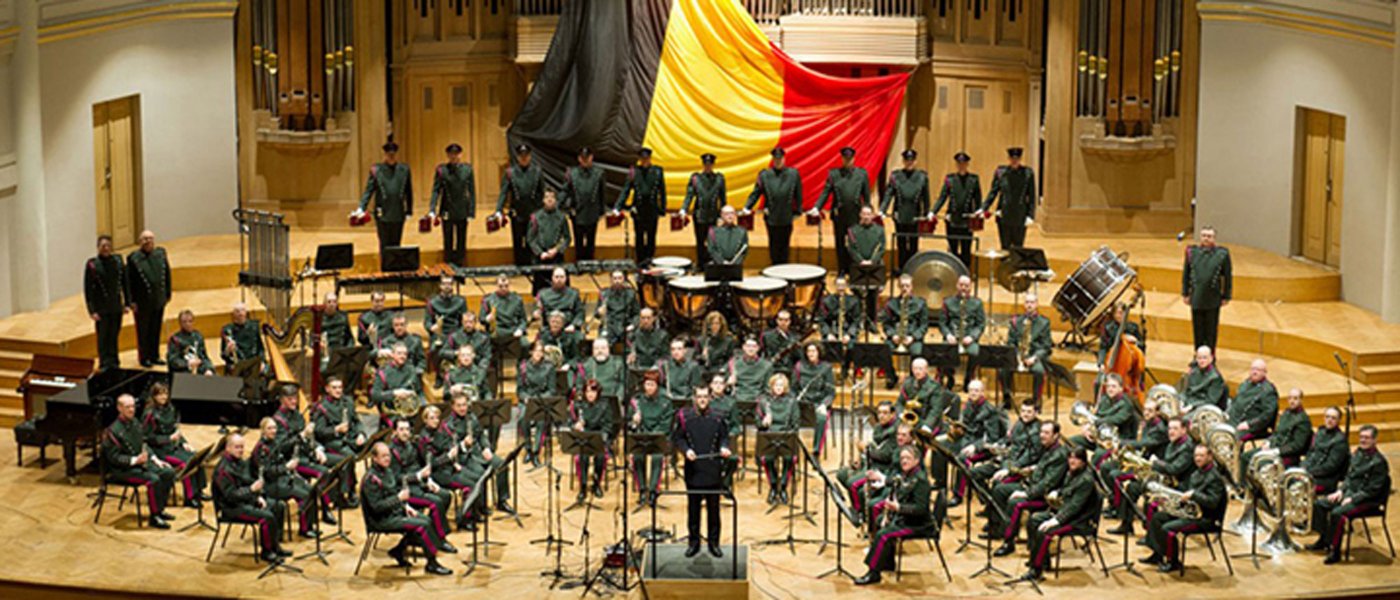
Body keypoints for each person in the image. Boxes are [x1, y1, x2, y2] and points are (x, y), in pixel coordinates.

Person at [362, 442, 454, 575]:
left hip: (394, 512)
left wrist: (406, 506)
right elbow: (377, 508)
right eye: (383, 456)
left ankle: (398, 550)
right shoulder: (371, 479)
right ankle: (432, 563)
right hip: (381, 519)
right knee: (422, 525)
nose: (387, 458)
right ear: (374, 458)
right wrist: (399, 499)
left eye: (388, 455)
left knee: (425, 519)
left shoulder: (387, 470)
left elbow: (393, 493)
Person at [1308, 425, 1391, 564]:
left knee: (1337, 513)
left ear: (1375, 440)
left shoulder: (1379, 462)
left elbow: (1373, 490)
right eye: (1361, 437)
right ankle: (1323, 539)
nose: (1363, 440)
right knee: (1319, 504)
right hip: (1349, 493)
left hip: (1368, 500)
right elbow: (1349, 477)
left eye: (1367, 438)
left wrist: (1353, 498)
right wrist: (1340, 491)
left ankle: (1335, 551)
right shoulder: (1357, 454)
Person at [853, 445, 935, 585]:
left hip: (919, 524)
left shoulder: (921, 480)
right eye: (902, 458)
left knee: (883, 534)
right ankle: (887, 563)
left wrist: (898, 508)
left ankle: (873, 573)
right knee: (879, 520)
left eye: (908, 458)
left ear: (916, 460)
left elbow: (921, 509)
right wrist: (881, 478)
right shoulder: (908, 474)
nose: (904, 461)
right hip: (908, 519)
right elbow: (897, 481)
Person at [1140, 444, 1227, 572]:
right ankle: (1158, 554)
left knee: (1167, 528)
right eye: (1196, 455)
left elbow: (1212, 502)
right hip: (1191, 513)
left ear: (1210, 457)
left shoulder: (1215, 478)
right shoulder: (1196, 473)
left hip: (1205, 519)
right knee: (1157, 518)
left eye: (1201, 456)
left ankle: (1173, 561)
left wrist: (1194, 495)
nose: (1198, 458)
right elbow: (1186, 494)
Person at [1021, 447, 1100, 581]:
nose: (1072, 461)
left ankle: (1036, 570)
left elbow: (1075, 506)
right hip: (1065, 514)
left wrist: (1056, 520)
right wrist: (1058, 492)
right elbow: (1066, 491)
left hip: (1078, 521)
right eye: (1070, 457)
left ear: (1083, 461)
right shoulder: (1071, 473)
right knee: (1034, 520)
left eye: (1076, 458)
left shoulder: (1086, 480)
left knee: (1043, 531)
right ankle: (1041, 560)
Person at [990, 421, 1068, 556]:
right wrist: (1032, 469)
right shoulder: (1047, 447)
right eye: (1041, 432)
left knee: (1015, 503)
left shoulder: (1059, 455)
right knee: (999, 490)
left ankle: (1009, 542)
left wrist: (1026, 493)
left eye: (1046, 433)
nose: (1042, 436)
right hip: (1031, 485)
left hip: (1043, 496)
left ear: (1056, 436)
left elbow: (1048, 483)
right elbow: (1043, 467)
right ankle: (999, 529)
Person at [674, 385, 733, 558]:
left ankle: (714, 543)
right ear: (694, 398)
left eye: (705, 396)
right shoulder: (685, 416)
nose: (702, 400)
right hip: (693, 470)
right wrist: (686, 451)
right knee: (693, 510)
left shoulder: (718, 417)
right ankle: (694, 542)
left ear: (710, 398)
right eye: (699, 396)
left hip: (712, 469)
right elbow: (678, 438)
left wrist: (723, 447)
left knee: (714, 510)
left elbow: (724, 437)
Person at [1109, 417, 1195, 536]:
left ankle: (1152, 535)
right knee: (1132, 488)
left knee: (1150, 494)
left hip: (1179, 486)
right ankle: (1126, 524)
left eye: (1175, 428)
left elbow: (1174, 469)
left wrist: (1156, 463)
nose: (1171, 431)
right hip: (1166, 480)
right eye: (1170, 428)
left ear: (1184, 430)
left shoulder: (1188, 447)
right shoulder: (1172, 443)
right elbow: (1167, 466)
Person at [102, 393, 176, 528]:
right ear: (119, 408)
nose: (131, 410)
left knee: (168, 472)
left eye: (133, 406)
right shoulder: (113, 431)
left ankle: (160, 509)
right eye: (127, 407)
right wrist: (135, 460)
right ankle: (154, 516)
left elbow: (144, 444)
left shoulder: (135, 422)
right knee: (153, 480)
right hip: (122, 470)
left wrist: (155, 459)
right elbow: (114, 458)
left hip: (139, 464)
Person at [213, 433, 289, 562]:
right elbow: (231, 496)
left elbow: (246, 482)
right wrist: (252, 491)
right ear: (228, 448)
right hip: (230, 508)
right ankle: (267, 551)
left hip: (244, 500)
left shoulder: (239, 462)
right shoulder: (223, 470)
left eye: (242, 447)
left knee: (278, 506)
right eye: (237, 447)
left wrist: (257, 497)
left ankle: (275, 545)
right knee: (267, 517)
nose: (241, 450)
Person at [270, 385, 338, 524]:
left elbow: (308, 439)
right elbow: (282, 447)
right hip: (292, 460)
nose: (294, 401)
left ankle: (324, 507)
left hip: (305, 456)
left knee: (329, 472)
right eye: (290, 399)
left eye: (295, 398)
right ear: (282, 400)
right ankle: (325, 509)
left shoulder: (297, 415)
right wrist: (301, 435)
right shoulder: (277, 420)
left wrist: (317, 449)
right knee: (323, 474)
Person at [443, 391, 512, 521]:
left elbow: (481, 435)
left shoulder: (472, 417)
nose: (463, 408)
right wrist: (464, 444)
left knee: (502, 465)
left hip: (479, 453)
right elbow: (450, 448)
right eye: (459, 405)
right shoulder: (449, 425)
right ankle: (480, 506)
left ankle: (502, 500)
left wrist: (486, 447)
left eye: (464, 405)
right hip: (465, 458)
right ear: (453, 407)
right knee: (481, 474)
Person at [251, 416, 319, 538]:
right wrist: (287, 467)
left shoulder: (274, 442)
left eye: (275, 428)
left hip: (281, 479)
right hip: (269, 485)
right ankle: (304, 529)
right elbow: (268, 472)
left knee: (310, 489)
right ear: (263, 431)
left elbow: (281, 457)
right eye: (269, 428)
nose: (273, 431)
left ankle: (309, 525)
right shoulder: (260, 449)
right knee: (304, 495)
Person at [386, 418, 453, 542]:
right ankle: (440, 539)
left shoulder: (412, 445)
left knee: (446, 496)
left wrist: (429, 481)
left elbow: (421, 466)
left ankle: (430, 532)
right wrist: (417, 476)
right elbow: (395, 478)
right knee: (436, 503)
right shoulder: (390, 452)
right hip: (405, 490)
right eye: (401, 429)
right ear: (394, 431)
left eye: (407, 429)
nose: (405, 432)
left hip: (419, 484)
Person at [142, 382, 206, 507]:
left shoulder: (171, 408)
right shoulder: (149, 414)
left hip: (173, 447)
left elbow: (175, 430)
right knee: (186, 464)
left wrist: (184, 443)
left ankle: (198, 491)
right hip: (160, 451)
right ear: (154, 396)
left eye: (165, 393)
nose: (164, 397)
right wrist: (168, 438)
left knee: (197, 458)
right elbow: (147, 438)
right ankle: (189, 497)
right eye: (160, 394)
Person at [815, 146, 871, 276]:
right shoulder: (834, 174)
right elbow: (826, 192)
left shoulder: (861, 174)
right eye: (845, 159)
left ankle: (853, 269)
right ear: (842, 159)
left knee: (854, 242)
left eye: (850, 159)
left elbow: (866, 195)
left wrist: (867, 211)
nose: (848, 161)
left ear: (854, 159)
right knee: (840, 242)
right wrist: (817, 207)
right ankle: (841, 269)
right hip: (839, 214)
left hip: (855, 214)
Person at [353, 141, 415, 259]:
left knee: (396, 243)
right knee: (384, 244)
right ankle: (384, 268)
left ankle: (395, 269)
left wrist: (409, 210)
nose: (391, 156)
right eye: (389, 154)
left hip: (398, 212)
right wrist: (361, 207)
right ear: (385, 155)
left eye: (393, 154)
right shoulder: (377, 170)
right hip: (383, 212)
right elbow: (369, 190)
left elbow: (409, 191)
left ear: (396, 154)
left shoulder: (404, 170)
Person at [837, 401, 898, 519]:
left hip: (883, 469)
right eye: (879, 412)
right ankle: (858, 506)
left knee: (853, 484)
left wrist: (865, 450)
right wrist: (861, 458)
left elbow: (886, 456)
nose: (881, 416)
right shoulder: (879, 427)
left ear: (892, 414)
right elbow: (874, 446)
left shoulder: (894, 432)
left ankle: (859, 513)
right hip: (872, 463)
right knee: (842, 474)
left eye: (885, 413)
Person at [950, 380, 1006, 506]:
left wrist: (975, 446)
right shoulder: (968, 405)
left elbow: (992, 437)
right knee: (944, 449)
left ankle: (958, 495)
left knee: (962, 459)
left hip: (984, 447)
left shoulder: (990, 411)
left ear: (982, 392)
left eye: (976, 390)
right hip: (967, 440)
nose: (973, 393)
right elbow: (966, 426)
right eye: (971, 390)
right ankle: (941, 484)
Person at [744, 147, 803, 266]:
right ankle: (774, 269)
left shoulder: (793, 174)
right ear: (773, 160)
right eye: (776, 159)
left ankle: (784, 270)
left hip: (787, 215)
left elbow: (798, 194)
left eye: (780, 159)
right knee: (773, 244)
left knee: (785, 245)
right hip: (771, 216)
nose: (778, 161)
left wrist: (798, 211)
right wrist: (747, 207)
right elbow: (756, 192)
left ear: (784, 159)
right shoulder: (765, 175)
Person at [312, 377, 366, 505]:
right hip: (332, 442)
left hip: (350, 439)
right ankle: (347, 491)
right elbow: (319, 431)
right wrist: (336, 429)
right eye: (334, 388)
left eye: (340, 387)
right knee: (349, 457)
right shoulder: (321, 407)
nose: (338, 390)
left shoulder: (347, 402)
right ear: (327, 389)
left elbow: (357, 421)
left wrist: (361, 433)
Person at [1181, 225, 1232, 353]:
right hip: (1197, 297)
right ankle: (1198, 357)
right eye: (1204, 235)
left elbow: (1227, 276)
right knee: (1198, 330)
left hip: (1213, 298)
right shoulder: (1191, 252)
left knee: (1211, 331)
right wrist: (1185, 293)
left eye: (1209, 236)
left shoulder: (1222, 254)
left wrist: (1226, 295)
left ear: (1214, 238)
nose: (1206, 239)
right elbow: (1186, 273)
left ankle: (1211, 357)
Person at [493, 144, 546, 268]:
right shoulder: (510, 172)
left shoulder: (537, 171)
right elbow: (504, 193)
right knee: (517, 240)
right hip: (517, 211)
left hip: (533, 211)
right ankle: (519, 265)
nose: (524, 158)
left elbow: (542, 192)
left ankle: (531, 265)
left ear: (530, 156)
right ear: (517, 157)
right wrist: (498, 210)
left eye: (526, 156)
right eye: (521, 156)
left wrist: (542, 211)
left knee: (531, 240)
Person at [612, 147, 667, 263]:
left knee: (651, 237)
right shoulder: (634, 172)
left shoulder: (657, 171)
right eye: (642, 159)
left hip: (652, 209)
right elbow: (626, 190)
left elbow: (662, 191)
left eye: (646, 158)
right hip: (639, 209)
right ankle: (640, 262)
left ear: (650, 158)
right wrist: (618, 206)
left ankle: (650, 260)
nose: (644, 161)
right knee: (639, 237)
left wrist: (663, 208)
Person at [125, 230, 171, 367]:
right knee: (143, 331)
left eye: (150, 238)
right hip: (142, 301)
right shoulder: (133, 258)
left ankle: (154, 355)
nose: (148, 241)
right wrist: (130, 301)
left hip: (158, 298)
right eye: (145, 239)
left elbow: (167, 274)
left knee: (156, 328)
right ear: (140, 242)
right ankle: (144, 357)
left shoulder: (160, 254)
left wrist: (167, 293)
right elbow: (129, 282)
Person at [882, 148, 932, 271]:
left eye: (911, 160)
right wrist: (882, 210)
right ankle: (902, 267)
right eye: (907, 160)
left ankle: (913, 268)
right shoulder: (896, 176)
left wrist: (927, 213)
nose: (909, 163)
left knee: (914, 243)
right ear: (903, 161)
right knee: (901, 243)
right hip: (900, 214)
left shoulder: (922, 176)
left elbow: (926, 197)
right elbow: (888, 194)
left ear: (915, 161)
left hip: (915, 215)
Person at [998, 295, 1052, 406]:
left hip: (1034, 356)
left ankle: (1036, 400)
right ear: (1024, 304)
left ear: (1037, 304)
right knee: (1002, 369)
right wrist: (1016, 356)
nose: (1029, 305)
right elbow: (1011, 342)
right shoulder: (1016, 321)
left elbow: (1046, 346)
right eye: (1027, 302)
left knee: (1039, 371)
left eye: (1032, 302)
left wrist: (1034, 358)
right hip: (1018, 355)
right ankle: (1007, 397)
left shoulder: (1044, 322)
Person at [428, 142, 476, 266]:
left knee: (461, 241)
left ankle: (462, 268)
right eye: (451, 154)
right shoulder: (442, 170)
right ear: (448, 155)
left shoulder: (467, 169)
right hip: (447, 210)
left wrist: (471, 210)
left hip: (462, 209)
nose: (454, 156)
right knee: (448, 241)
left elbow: (471, 191)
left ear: (460, 154)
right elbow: (436, 190)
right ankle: (448, 268)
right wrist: (432, 209)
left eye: (456, 154)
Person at [979, 147, 1037, 250]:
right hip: (1004, 215)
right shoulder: (1001, 172)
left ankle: (1016, 266)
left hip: (1020, 215)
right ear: (1008, 159)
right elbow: (993, 192)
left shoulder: (1028, 173)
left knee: (1018, 246)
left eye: (1017, 159)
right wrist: (984, 207)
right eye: (1012, 158)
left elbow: (1032, 196)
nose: (1014, 161)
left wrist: (1030, 215)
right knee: (1005, 246)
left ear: (1020, 159)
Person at [930, 151, 981, 268]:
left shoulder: (973, 180)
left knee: (966, 249)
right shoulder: (950, 179)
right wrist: (933, 212)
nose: (961, 165)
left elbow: (977, 199)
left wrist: (978, 213)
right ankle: (952, 273)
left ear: (967, 164)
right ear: (956, 165)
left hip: (967, 220)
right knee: (952, 249)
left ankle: (965, 274)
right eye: (959, 163)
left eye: (963, 163)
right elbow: (942, 198)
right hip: (952, 219)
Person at [629, 372, 673, 507]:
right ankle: (642, 489)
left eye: (652, 384)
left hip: (658, 438)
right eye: (647, 384)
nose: (649, 387)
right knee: (637, 457)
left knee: (657, 457)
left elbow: (666, 425)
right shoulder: (638, 402)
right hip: (642, 438)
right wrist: (635, 422)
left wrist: (653, 436)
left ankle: (653, 491)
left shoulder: (666, 402)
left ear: (657, 386)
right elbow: (631, 426)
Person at [85, 235, 128, 371]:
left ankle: (114, 360)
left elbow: (125, 283)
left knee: (114, 334)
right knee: (103, 336)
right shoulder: (92, 264)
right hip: (101, 307)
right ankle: (104, 362)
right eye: (103, 246)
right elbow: (88, 290)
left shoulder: (118, 261)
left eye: (108, 246)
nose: (106, 248)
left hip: (115, 306)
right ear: (98, 248)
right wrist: (92, 310)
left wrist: (126, 303)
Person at [757, 373, 800, 505]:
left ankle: (783, 487)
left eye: (781, 385)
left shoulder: (792, 402)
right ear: (772, 386)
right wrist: (763, 423)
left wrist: (788, 433)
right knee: (767, 458)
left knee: (789, 458)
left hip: (786, 436)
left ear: (785, 387)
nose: (779, 387)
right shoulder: (764, 401)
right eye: (776, 384)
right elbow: (757, 423)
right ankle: (774, 486)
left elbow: (796, 423)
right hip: (769, 436)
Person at [1243, 388, 1310, 468]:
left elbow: (1297, 445)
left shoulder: (1303, 420)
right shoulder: (1286, 413)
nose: (1292, 401)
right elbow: (1276, 432)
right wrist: (1268, 442)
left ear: (1301, 400)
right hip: (1272, 447)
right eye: (1290, 398)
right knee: (1245, 457)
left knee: (1259, 464)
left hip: (1285, 454)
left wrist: (1277, 451)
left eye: (1295, 398)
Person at [1069, 374, 1138, 451]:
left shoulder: (1127, 405)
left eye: (1113, 386)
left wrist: (1093, 422)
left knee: (1098, 454)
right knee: (1071, 442)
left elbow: (1114, 420)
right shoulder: (1104, 399)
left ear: (1121, 388)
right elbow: (1097, 415)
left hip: (1117, 441)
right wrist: (1087, 428)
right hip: (1100, 437)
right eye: (1108, 386)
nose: (1110, 389)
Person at [517, 341, 560, 467]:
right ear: (531, 352)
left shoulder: (549, 366)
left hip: (542, 400)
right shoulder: (523, 366)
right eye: (536, 351)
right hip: (528, 399)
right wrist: (525, 398)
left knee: (542, 419)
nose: (538, 354)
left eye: (541, 351)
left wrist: (541, 400)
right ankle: (528, 449)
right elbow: (519, 389)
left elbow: (552, 390)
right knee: (522, 418)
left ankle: (536, 452)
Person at [571, 380, 615, 502]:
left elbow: (608, 426)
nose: (590, 394)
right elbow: (570, 423)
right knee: (582, 457)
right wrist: (576, 426)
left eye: (593, 391)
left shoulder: (605, 405)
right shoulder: (579, 405)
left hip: (599, 439)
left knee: (600, 457)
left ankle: (596, 484)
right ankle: (583, 486)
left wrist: (600, 437)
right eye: (587, 391)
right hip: (583, 440)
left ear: (598, 392)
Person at [880, 274, 927, 387]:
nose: (905, 288)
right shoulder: (891, 303)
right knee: (883, 350)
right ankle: (891, 376)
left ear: (912, 287)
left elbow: (924, 325)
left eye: (907, 286)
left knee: (917, 351)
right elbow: (886, 324)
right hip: (896, 336)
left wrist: (913, 337)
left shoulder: (921, 303)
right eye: (902, 286)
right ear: (899, 287)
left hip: (912, 337)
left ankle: (913, 379)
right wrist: (892, 335)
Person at [939, 275, 985, 389]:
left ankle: (968, 377)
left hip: (968, 337)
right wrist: (948, 335)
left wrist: (972, 337)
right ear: (957, 285)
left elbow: (980, 324)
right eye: (961, 285)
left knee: (975, 352)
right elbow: (942, 323)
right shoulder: (947, 302)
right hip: (952, 336)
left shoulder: (977, 303)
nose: (963, 288)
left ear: (971, 287)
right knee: (942, 350)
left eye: (966, 286)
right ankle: (950, 376)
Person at [681, 153, 727, 268]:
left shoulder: (719, 179)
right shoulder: (696, 178)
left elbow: (723, 199)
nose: (708, 166)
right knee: (700, 241)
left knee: (712, 241)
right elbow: (689, 195)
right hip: (699, 215)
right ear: (703, 165)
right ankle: (701, 264)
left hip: (713, 215)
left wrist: (723, 215)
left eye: (710, 164)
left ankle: (711, 265)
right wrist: (684, 209)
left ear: (713, 165)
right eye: (706, 164)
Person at [792, 342, 834, 459]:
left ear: (819, 352)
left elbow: (830, 392)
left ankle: (816, 451)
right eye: (809, 351)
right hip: (802, 402)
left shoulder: (826, 368)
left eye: (813, 351)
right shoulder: (799, 366)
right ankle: (791, 449)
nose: (811, 353)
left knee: (821, 418)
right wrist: (793, 401)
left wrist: (824, 405)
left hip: (818, 402)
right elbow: (793, 388)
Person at [562, 147, 605, 260]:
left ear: (592, 157)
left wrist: (601, 211)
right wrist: (559, 206)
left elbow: (602, 194)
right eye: (583, 158)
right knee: (578, 240)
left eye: (587, 157)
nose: (585, 160)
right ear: (579, 159)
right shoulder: (572, 173)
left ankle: (589, 262)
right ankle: (580, 262)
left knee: (591, 239)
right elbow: (565, 190)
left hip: (592, 211)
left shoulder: (599, 173)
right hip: (578, 211)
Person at [527, 189, 572, 292]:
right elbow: (531, 239)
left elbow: (567, 238)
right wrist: (540, 252)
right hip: (540, 258)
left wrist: (556, 250)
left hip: (557, 257)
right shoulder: (535, 217)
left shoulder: (561, 217)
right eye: (547, 197)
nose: (550, 200)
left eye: (552, 197)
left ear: (556, 200)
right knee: (540, 289)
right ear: (543, 200)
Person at [371, 343, 425, 425]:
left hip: (410, 410)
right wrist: (394, 393)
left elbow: (419, 392)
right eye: (399, 353)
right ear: (392, 355)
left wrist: (422, 405)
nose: (402, 356)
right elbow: (375, 395)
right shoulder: (383, 372)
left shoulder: (411, 369)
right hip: (392, 413)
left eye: (405, 354)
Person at [1229, 359, 1279, 443]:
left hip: (1251, 427)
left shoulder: (1268, 391)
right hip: (1234, 419)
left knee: (1230, 438)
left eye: (1258, 370)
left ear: (1265, 372)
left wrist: (1249, 424)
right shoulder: (1245, 383)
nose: (1254, 372)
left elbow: (1267, 415)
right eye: (1253, 369)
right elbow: (1235, 402)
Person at [1303, 407, 1349, 495]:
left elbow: (1331, 467)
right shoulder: (1320, 433)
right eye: (1327, 417)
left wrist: (1309, 472)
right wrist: (1303, 466)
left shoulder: (1340, 440)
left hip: (1326, 479)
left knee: (1297, 486)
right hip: (1311, 472)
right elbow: (1310, 453)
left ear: (1339, 420)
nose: (1329, 420)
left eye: (1333, 418)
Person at [480, 273, 528, 348]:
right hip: (496, 331)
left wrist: (520, 329)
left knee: (525, 344)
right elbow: (481, 319)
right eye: (500, 286)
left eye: (506, 286)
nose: (503, 288)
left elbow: (523, 320)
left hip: (513, 330)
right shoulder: (488, 300)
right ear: (496, 286)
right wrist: (487, 319)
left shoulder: (517, 299)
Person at [220, 302, 264, 374]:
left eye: (243, 310)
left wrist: (262, 362)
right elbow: (223, 355)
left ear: (246, 313)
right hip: (237, 364)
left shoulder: (254, 327)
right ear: (233, 315)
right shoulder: (227, 330)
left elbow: (261, 349)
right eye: (237, 311)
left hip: (252, 363)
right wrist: (228, 350)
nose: (240, 314)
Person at [596, 271, 639, 345]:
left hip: (626, 324)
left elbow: (637, 313)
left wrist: (633, 325)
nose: (617, 281)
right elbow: (596, 315)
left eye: (619, 278)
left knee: (634, 338)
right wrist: (599, 312)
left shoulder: (631, 294)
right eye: (614, 278)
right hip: (610, 326)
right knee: (602, 341)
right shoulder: (604, 294)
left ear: (624, 279)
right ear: (611, 280)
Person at [425, 275, 467, 351]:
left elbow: (464, 320)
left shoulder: (461, 301)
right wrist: (432, 327)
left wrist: (460, 332)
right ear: (440, 285)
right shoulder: (432, 302)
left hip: (455, 332)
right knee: (433, 351)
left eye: (449, 284)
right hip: (439, 333)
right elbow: (427, 322)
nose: (447, 286)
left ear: (452, 285)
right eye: (444, 284)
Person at [1097, 302, 1145, 367]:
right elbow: (1103, 347)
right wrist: (1101, 363)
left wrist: (1136, 342)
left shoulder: (1133, 328)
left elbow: (1142, 346)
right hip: (1113, 362)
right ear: (1113, 315)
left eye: (1122, 313)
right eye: (1118, 313)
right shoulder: (1108, 329)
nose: (1120, 316)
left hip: (1130, 364)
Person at [166, 309, 214, 375]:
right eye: (184, 322)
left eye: (190, 321)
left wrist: (208, 369)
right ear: (180, 323)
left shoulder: (198, 336)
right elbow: (173, 361)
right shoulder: (175, 339)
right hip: (183, 372)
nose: (188, 324)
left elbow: (204, 357)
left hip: (198, 370)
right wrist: (188, 363)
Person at [536, 268, 584, 333]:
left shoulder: (574, 294)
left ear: (566, 278)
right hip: (549, 329)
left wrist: (574, 325)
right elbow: (539, 311)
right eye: (556, 277)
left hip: (568, 327)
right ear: (552, 278)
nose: (559, 279)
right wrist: (536, 313)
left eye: (562, 277)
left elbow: (580, 312)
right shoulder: (543, 294)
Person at [847, 205, 886, 281]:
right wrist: (861, 261)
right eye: (864, 214)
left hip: (875, 265)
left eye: (868, 214)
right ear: (860, 215)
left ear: (872, 215)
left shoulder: (880, 230)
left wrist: (872, 261)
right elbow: (852, 249)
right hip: (858, 265)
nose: (866, 217)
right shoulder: (852, 230)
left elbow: (882, 248)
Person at [1181, 345, 1226, 410]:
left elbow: (1210, 401)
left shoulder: (1216, 377)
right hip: (1188, 402)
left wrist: (1192, 406)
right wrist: (1181, 401)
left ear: (1211, 358)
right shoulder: (1193, 371)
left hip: (1202, 407)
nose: (1202, 361)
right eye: (1199, 358)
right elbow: (1186, 391)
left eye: (1205, 358)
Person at [660, 339, 702, 406]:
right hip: (670, 401)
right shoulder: (665, 365)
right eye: (673, 349)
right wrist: (666, 394)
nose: (676, 352)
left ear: (685, 350)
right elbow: (661, 387)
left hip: (686, 402)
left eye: (679, 349)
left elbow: (696, 388)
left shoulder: (693, 366)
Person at [760, 310, 801, 374]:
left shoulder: (795, 337)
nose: (783, 322)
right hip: (772, 368)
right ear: (777, 320)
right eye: (780, 319)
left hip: (789, 369)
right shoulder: (767, 336)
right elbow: (763, 354)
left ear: (790, 321)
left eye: (786, 320)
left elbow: (798, 357)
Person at [699, 311, 736, 376]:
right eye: (711, 324)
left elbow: (731, 359)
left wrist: (723, 369)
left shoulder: (728, 340)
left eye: (717, 323)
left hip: (721, 370)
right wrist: (702, 356)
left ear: (721, 325)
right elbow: (694, 359)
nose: (714, 326)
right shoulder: (702, 340)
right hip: (705, 371)